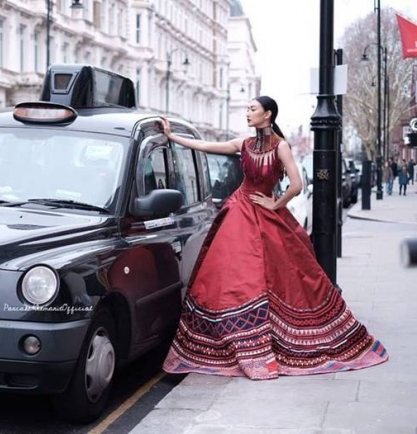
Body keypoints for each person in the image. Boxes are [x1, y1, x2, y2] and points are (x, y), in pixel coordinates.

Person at [160, 96, 388, 380]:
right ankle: (235, 338)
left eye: (252, 109)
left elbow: (296, 184)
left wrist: (275, 204)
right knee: (231, 275)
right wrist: (172, 137)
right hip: (239, 212)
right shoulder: (243, 143)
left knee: (284, 276)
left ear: (267, 115)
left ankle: (265, 338)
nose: (248, 113)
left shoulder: (281, 146)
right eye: (247, 109)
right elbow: (205, 146)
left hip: (267, 215)